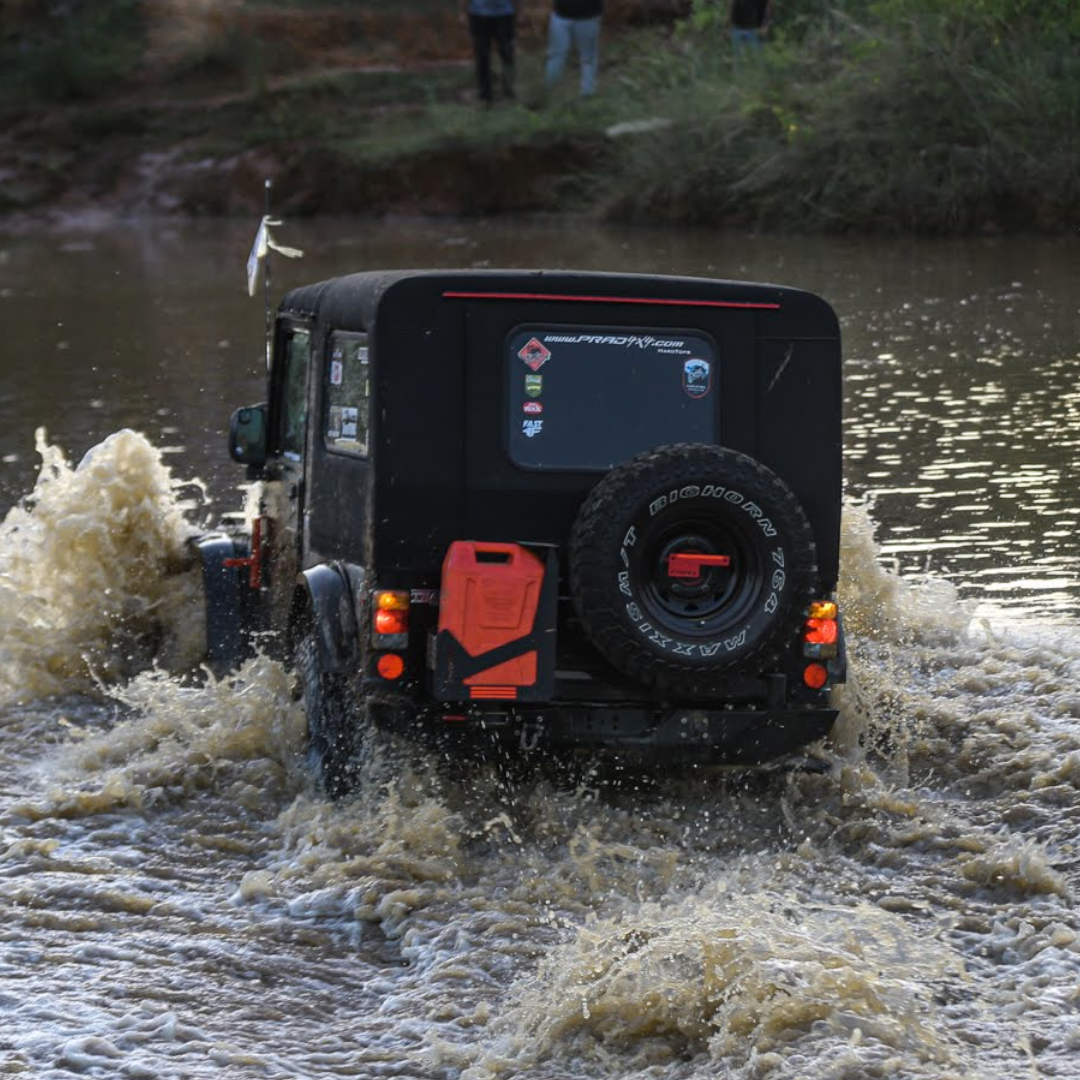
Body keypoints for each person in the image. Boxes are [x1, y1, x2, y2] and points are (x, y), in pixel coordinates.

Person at [544, 0, 603, 98]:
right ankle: (549, 93)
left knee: (588, 57)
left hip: (588, 16)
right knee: (555, 56)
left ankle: (588, 94)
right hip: (561, 15)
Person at [463, 0, 516, 105]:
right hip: (478, 14)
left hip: (504, 14)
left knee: (507, 55)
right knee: (482, 56)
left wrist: (519, 11)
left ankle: (508, 92)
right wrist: (463, 12)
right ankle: (485, 95)